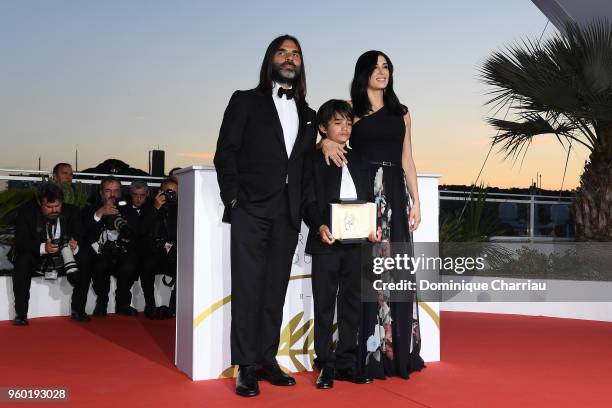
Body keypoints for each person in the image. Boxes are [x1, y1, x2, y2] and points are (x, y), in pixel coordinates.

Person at [214, 35, 317, 397]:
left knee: (274, 290)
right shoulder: (245, 101)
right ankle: (244, 365)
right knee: (247, 288)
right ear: (270, 59)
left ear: (301, 64)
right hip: (251, 209)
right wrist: (234, 199)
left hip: (288, 214)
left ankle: (266, 359)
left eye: (295, 54)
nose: (289, 58)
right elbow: (225, 152)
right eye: (282, 52)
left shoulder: (310, 114)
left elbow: (307, 165)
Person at [321, 50, 425, 379]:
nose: (382, 72)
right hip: (365, 197)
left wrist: (416, 200)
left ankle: (397, 353)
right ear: (363, 73)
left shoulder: (402, 113)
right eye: (376, 67)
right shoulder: (351, 112)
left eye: (387, 67)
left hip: (395, 191)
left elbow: (408, 159)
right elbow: (329, 132)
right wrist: (322, 142)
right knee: (367, 273)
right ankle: (367, 352)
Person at [302, 99, 381, 389]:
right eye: (338, 122)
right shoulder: (312, 158)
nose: (345, 128)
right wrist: (319, 225)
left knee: (351, 305)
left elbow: (368, 199)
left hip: (358, 243)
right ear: (323, 128)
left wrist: (372, 226)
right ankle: (325, 364)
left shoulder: (360, 159)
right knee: (324, 305)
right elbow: (307, 200)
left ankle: (347, 363)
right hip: (326, 242)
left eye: (349, 123)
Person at [11, 182, 91, 325]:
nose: (54, 210)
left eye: (58, 205)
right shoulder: (26, 213)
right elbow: (21, 241)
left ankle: (78, 310)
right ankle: (21, 314)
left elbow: (82, 235)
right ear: (39, 203)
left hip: (65, 255)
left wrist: (75, 245)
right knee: (22, 261)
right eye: (49, 207)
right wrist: (43, 247)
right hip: (38, 257)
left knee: (85, 258)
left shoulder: (73, 211)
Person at [81, 176, 139, 317]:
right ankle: (102, 302)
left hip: (122, 253)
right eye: (108, 191)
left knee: (131, 264)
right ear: (101, 192)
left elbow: (135, 236)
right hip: (100, 254)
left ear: (120, 193)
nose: (112, 195)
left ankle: (123, 304)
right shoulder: (91, 210)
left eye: (116, 191)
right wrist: (100, 214)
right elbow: (85, 234)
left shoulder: (129, 210)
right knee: (99, 266)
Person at [141, 178, 178, 320]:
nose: (170, 195)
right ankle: (150, 306)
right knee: (146, 265)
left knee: (187, 268)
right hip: (154, 253)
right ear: (159, 192)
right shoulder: (149, 206)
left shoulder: (185, 208)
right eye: (167, 191)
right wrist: (156, 207)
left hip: (174, 254)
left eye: (174, 193)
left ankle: (174, 307)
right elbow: (142, 229)